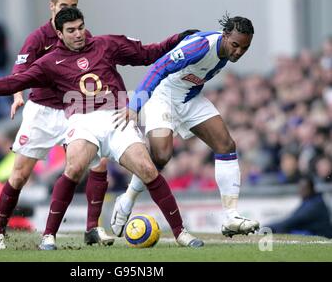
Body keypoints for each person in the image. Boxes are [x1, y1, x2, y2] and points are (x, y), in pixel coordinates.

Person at [0, 6, 204, 249]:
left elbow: (149, 54)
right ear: (59, 34)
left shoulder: (107, 44)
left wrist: (178, 38)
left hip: (117, 116)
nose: (78, 34)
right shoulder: (49, 62)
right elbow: (13, 82)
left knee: (148, 169)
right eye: (71, 30)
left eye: (81, 28)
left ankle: (181, 232)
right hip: (82, 120)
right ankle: (49, 236)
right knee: (73, 168)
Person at [111, 14, 260, 238]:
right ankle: (128, 198)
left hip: (189, 99)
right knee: (161, 156)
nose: (238, 52)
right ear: (225, 35)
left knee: (226, 144)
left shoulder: (226, 51)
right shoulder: (200, 46)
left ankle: (231, 217)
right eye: (235, 45)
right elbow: (158, 68)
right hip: (163, 97)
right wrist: (135, 105)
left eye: (244, 48)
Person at [0, 0, 114, 250]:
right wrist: (17, 95)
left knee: (98, 164)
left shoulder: (82, 36)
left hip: (74, 111)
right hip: (42, 111)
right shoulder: (38, 38)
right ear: (51, 6)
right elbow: (20, 70)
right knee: (20, 174)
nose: (68, 10)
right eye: (63, 5)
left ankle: (92, 228)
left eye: (74, 5)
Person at [267, 177, 332, 238]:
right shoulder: (310, 201)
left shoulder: (315, 205)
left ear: (312, 189)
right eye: (300, 188)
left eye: (304, 188)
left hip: (322, 236)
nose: (301, 191)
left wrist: (271, 227)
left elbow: (294, 220)